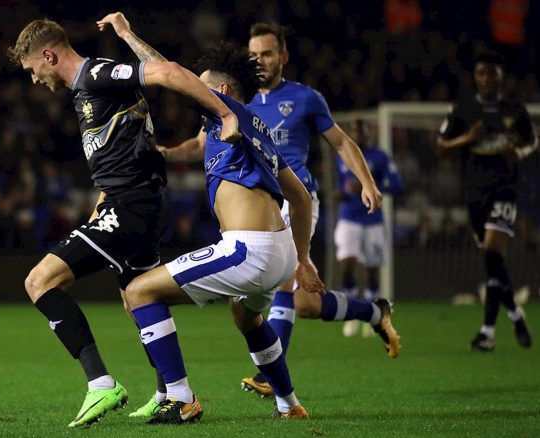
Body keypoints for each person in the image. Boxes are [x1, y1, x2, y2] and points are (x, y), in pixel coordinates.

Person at [8, 18, 241, 427]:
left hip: (133, 204)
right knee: (138, 296)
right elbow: (119, 150)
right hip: (130, 200)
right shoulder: (87, 90)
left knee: (39, 281)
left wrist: (224, 112)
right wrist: (101, 201)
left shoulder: (96, 74)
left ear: (48, 55)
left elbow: (167, 71)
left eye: (32, 69)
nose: (33, 78)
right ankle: (174, 392)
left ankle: (100, 383)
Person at [155, 22, 400, 397]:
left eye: (268, 53)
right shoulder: (234, 101)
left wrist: (366, 181)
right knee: (304, 304)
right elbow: (199, 144)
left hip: (297, 196)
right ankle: (374, 313)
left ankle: (274, 380)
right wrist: (167, 155)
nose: (261, 60)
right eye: (254, 54)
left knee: (284, 278)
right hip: (258, 198)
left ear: (283, 57)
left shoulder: (305, 99)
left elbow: (341, 142)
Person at [109, 31, 319, 422]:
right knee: (246, 316)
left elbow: (168, 72)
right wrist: (302, 260)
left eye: (200, 85)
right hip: (280, 250)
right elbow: (302, 199)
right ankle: (289, 405)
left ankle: (180, 397)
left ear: (220, 90)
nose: (193, 90)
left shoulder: (225, 110)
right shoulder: (258, 130)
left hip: (249, 249)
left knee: (138, 292)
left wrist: (126, 34)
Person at [437, 52, 537, 352]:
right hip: (474, 193)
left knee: (493, 252)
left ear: (501, 77)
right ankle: (516, 314)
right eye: (482, 73)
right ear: (476, 76)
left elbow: (532, 139)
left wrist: (518, 153)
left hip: (505, 189)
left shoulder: (514, 109)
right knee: (493, 262)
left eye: (492, 74)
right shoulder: (464, 108)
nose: (487, 79)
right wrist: (468, 138)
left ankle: (487, 332)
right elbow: (441, 145)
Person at [336, 120, 404, 338]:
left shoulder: (380, 156)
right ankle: (354, 314)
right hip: (348, 217)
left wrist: (370, 186)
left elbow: (397, 184)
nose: (359, 136)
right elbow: (342, 184)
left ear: (369, 134)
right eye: (355, 133)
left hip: (372, 219)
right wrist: (344, 192)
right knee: (346, 265)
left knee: (372, 271)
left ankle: (372, 315)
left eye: (363, 132)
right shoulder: (343, 155)